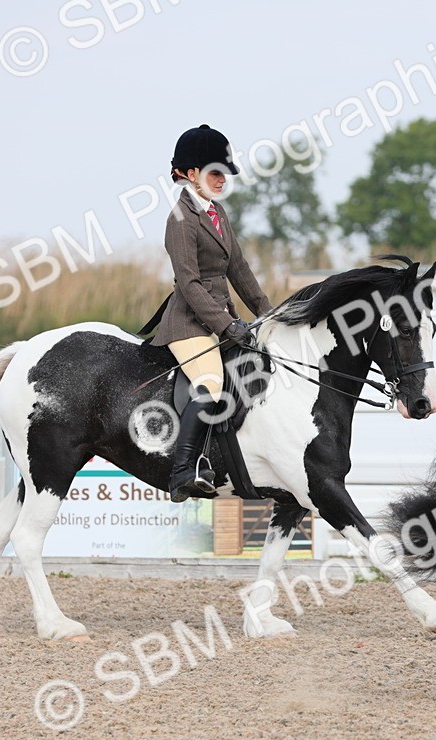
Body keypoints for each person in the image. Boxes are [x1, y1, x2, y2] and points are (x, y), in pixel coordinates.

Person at [150, 124, 274, 502]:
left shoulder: (217, 212)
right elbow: (188, 284)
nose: (222, 180)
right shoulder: (180, 219)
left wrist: (269, 313)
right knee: (210, 385)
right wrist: (227, 324)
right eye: (215, 173)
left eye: (223, 173)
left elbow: (238, 269)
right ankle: (182, 471)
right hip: (188, 323)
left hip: (220, 320)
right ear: (191, 174)